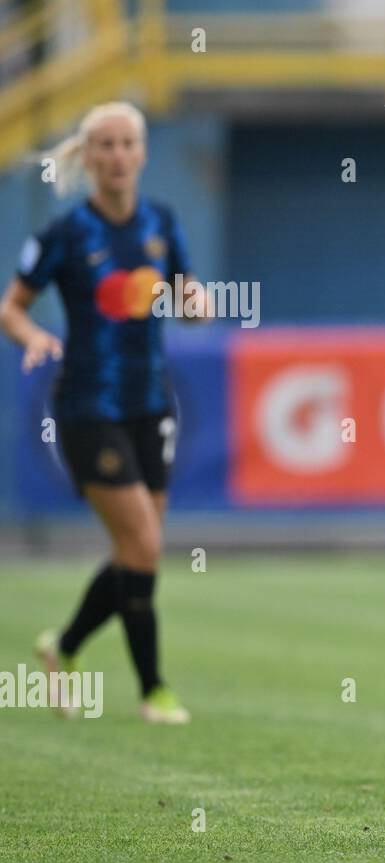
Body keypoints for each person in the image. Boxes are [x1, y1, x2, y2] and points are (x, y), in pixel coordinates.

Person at [0, 102, 210, 724]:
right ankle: (154, 690)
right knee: (143, 541)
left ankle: (60, 648)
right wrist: (33, 337)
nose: (117, 155)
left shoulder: (162, 222)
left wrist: (195, 300)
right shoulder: (65, 235)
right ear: (88, 158)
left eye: (127, 144)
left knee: (136, 549)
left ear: (142, 154)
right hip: (89, 405)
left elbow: (185, 289)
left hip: (151, 403)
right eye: (106, 146)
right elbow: (11, 307)